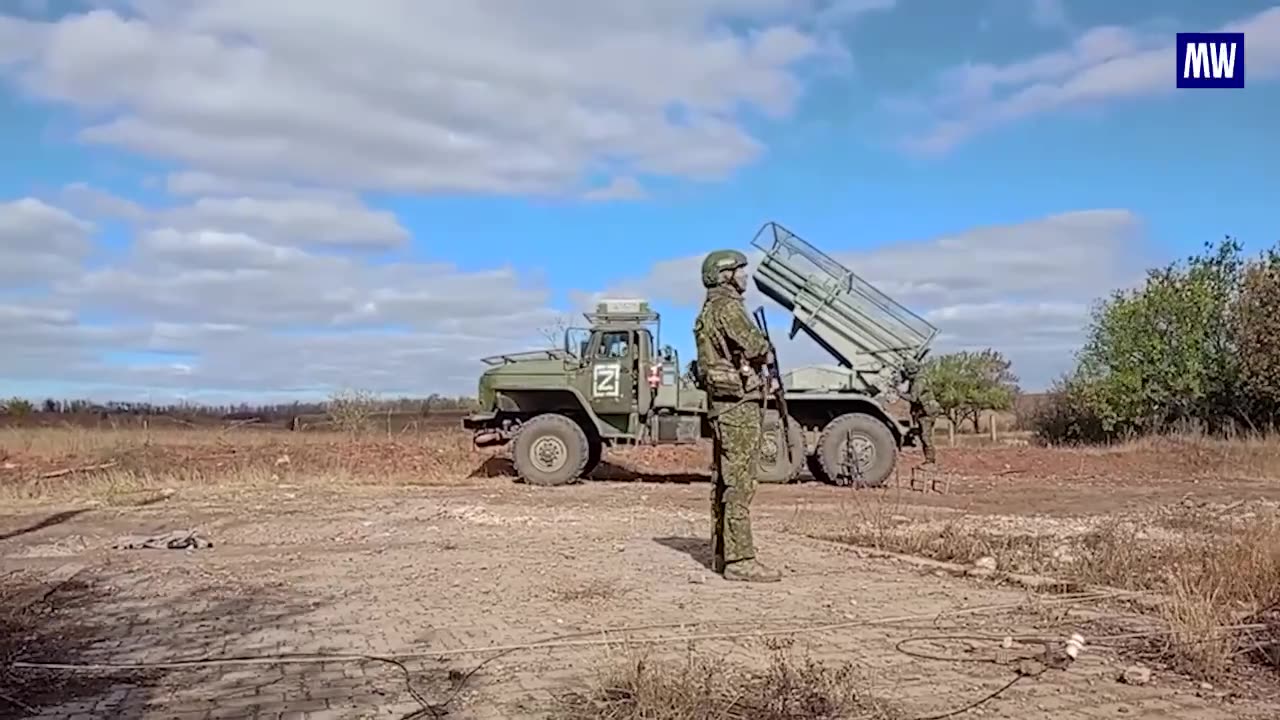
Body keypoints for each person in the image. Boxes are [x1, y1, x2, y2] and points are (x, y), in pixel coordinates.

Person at [691, 249, 781, 583]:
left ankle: (722, 554)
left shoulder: (708, 310)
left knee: (724, 481)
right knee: (740, 483)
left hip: (722, 404)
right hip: (738, 406)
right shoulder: (729, 308)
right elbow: (756, 347)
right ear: (725, 275)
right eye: (740, 271)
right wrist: (766, 350)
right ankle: (740, 560)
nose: (745, 277)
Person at [900, 358, 939, 465]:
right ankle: (929, 459)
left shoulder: (919, 381)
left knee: (925, 436)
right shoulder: (916, 380)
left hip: (927, 411)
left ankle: (930, 460)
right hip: (923, 411)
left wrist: (899, 394)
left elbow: (913, 397)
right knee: (922, 435)